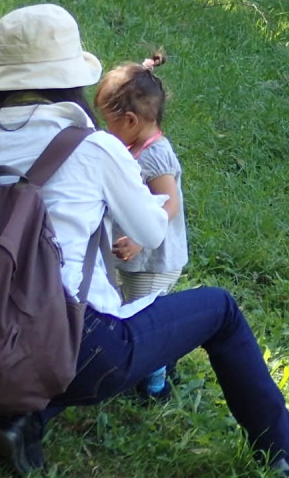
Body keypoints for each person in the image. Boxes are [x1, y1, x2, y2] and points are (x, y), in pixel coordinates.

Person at [0, 5, 289, 475]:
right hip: (79, 347)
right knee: (220, 310)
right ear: (70, 78)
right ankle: (284, 451)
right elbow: (153, 231)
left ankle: (21, 415)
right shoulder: (94, 148)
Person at [94, 51, 187, 402]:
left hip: (154, 257)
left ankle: (155, 384)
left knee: (145, 317)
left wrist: (137, 240)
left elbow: (170, 204)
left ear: (131, 120)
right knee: (134, 306)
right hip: (134, 257)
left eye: (109, 123)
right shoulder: (133, 147)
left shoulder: (155, 155)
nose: (106, 130)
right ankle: (160, 360)